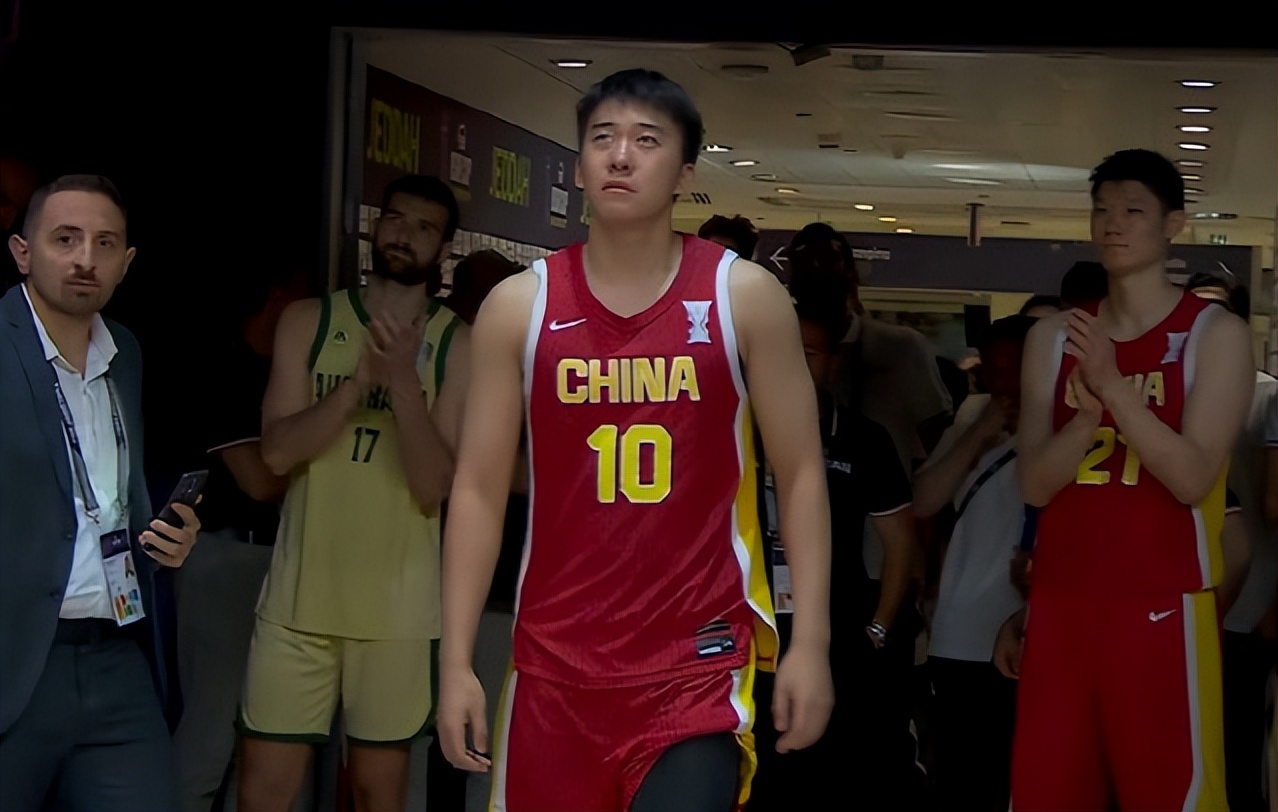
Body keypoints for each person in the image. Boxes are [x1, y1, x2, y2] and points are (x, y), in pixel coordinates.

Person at [436, 68, 833, 812]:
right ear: (579, 163)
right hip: (554, 666)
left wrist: (811, 641)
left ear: (685, 173)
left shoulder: (742, 296)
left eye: (646, 140)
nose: (620, 156)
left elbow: (802, 471)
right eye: (602, 138)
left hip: (694, 664)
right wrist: (455, 660)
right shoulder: (519, 306)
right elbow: (479, 488)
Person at [1012, 148, 1255, 810]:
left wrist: (1115, 390)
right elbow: (1034, 485)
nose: (1113, 224)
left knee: (1170, 793)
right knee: (1048, 793)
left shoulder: (1215, 333)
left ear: (1174, 224)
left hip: (1162, 601)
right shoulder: (1055, 337)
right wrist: (1086, 417)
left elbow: (1193, 477)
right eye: (1102, 210)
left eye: (1133, 211)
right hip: (1061, 598)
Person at [236, 174, 470, 812]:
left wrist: (402, 384)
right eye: (396, 218)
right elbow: (276, 453)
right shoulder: (308, 321)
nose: (405, 234)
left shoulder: (457, 342)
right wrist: (356, 385)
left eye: (424, 227)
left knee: (377, 792)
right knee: (264, 791)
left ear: (444, 247)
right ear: (374, 224)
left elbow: (433, 485)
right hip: (298, 601)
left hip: (398, 613)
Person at [0, 173, 202, 810]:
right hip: (16, 660)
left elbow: (108, 502)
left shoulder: (126, 354)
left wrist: (162, 542)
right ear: (22, 251)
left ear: (127, 262)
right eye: (65, 239)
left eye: (105, 243)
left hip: (117, 655)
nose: (85, 258)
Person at [748, 272, 917, 811]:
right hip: (751, 632)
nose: (795, 365)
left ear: (834, 360)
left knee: (835, 773)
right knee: (756, 775)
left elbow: (901, 539)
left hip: (837, 635)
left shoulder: (864, 440)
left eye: (809, 354)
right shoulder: (736, 432)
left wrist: (878, 628)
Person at [171, 266, 311, 812]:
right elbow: (258, 481)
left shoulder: (287, 373)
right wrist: (329, 479)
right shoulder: (223, 366)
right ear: (278, 295)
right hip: (226, 556)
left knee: (264, 740)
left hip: (278, 557)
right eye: (304, 297)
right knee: (211, 735)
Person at [914, 314, 1036, 811]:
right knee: (963, 776)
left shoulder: (1070, 424)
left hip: (1028, 629)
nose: (1002, 381)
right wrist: (981, 432)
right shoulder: (973, 416)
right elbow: (924, 500)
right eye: (992, 369)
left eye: (1014, 367)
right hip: (961, 630)